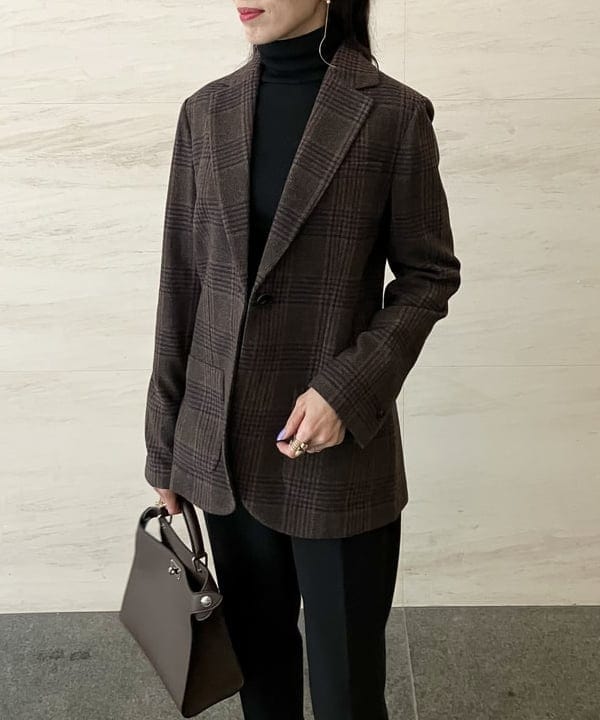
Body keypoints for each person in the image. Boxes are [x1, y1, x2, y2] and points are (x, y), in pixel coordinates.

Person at [145, 1, 461, 718]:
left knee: (348, 693)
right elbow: (182, 285)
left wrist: (346, 390)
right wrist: (165, 443)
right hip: (224, 453)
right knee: (262, 685)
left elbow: (428, 276)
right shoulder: (205, 114)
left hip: (336, 456)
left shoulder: (393, 114)